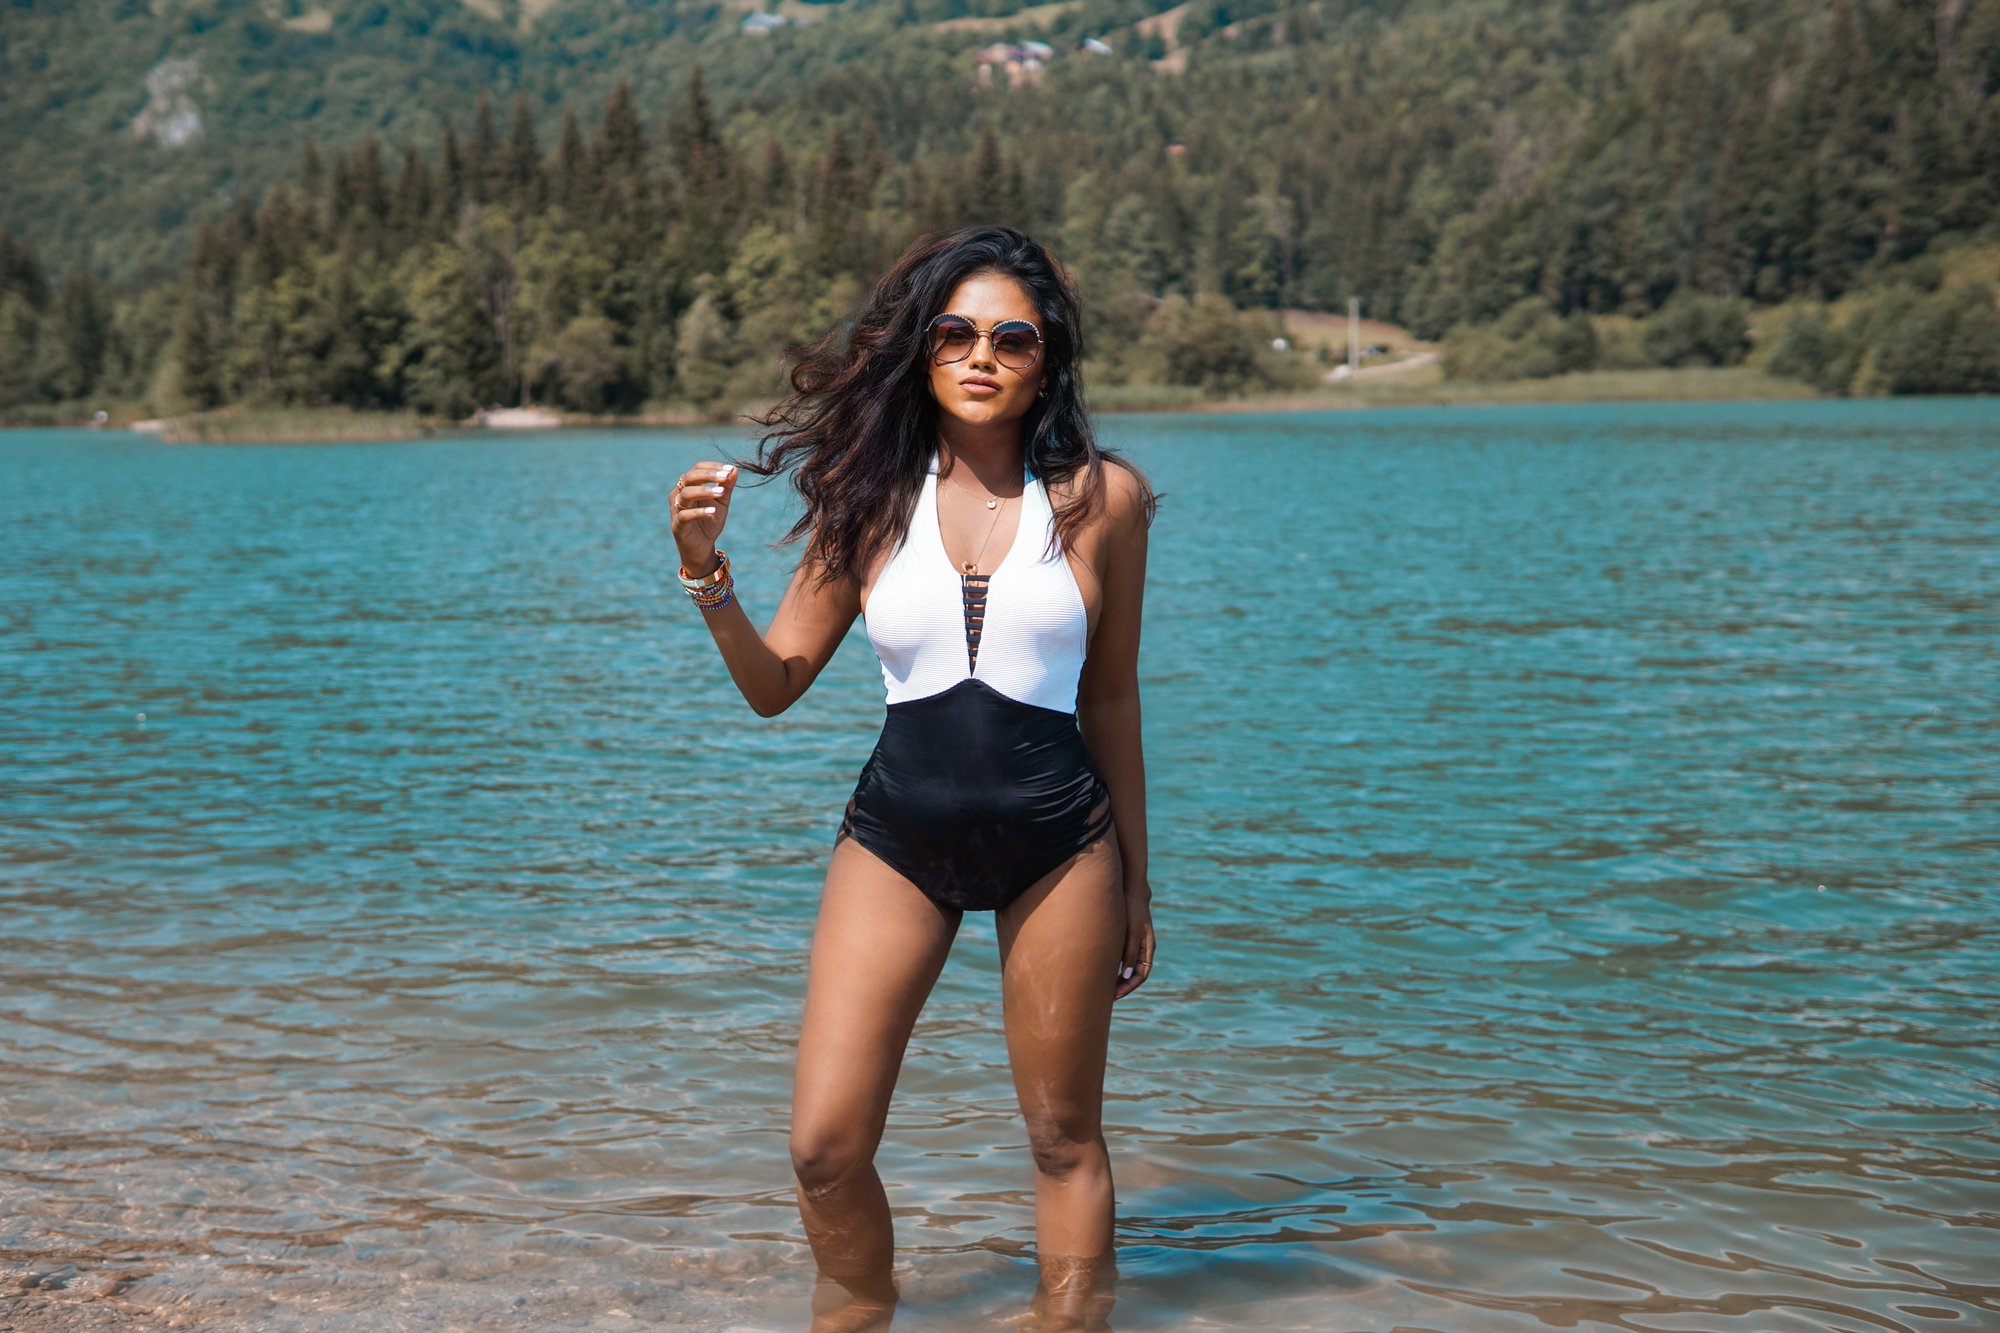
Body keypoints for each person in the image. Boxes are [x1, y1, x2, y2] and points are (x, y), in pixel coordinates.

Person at [668, 225, 1158, 1331]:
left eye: (1010, 339)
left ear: (1046, 363)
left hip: (1060, 839)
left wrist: (1135, 879)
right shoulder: (865, 499)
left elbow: (1111, 698)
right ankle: (855, 1312)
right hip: (896, 835)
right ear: (922, 352)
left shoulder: (1103, 502)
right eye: (955, 332)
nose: (980, 355)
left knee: (1061, 1137)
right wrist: (708, 582)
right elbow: (776, 682)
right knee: (823, 1146)